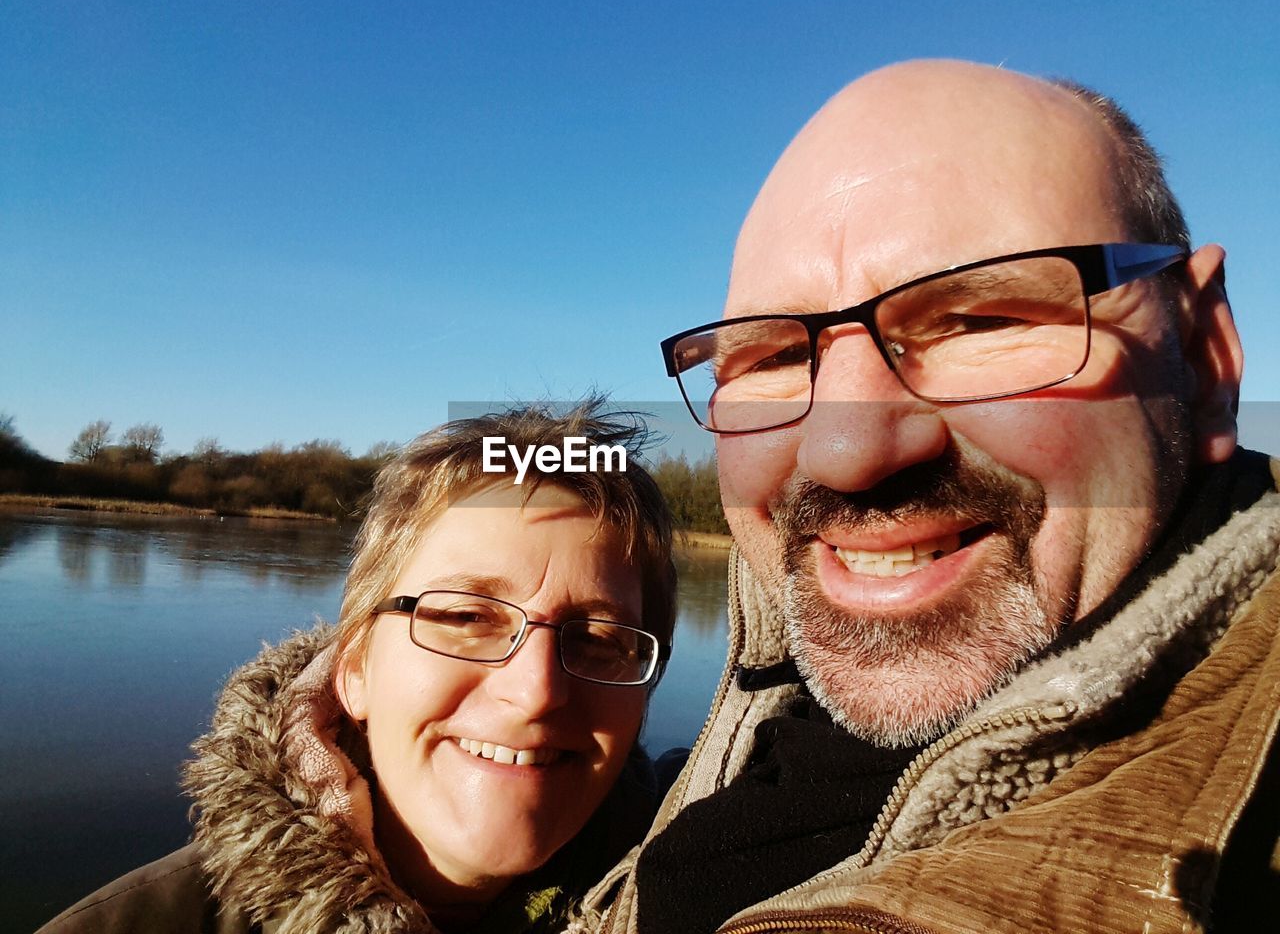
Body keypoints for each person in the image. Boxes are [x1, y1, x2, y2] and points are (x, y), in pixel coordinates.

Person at [574, 60, 1280, 933]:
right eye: (774, 356)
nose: (844, 449)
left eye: (979, 320)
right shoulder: (756, 747)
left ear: (1206, 356)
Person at [39, 401, 677, 934]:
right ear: (354, 669)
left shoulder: (711, 893)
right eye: (465, 617)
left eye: (598, 639)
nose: (537, 691)